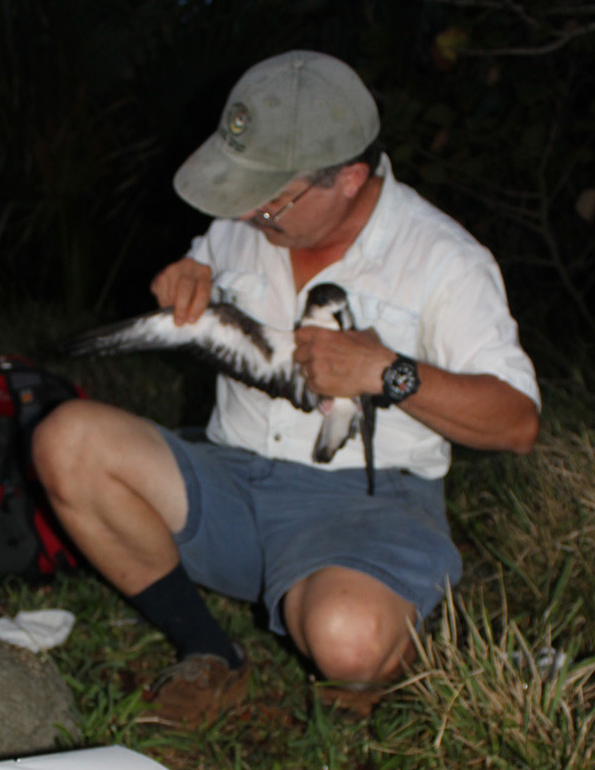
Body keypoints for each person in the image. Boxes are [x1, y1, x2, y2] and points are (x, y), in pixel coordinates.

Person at [32, 50, 540, 726]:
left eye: (271, 198)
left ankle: (403, 640)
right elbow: (203, 271)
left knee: (346, 640)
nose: (250, 214)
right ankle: (209, 649)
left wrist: (388, 372)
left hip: (366, 505)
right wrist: (185, 275)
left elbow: (517, 423)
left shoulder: (445, 261)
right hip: (231, 483)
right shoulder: (245, 222)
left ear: (351, 178)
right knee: (64, 439)